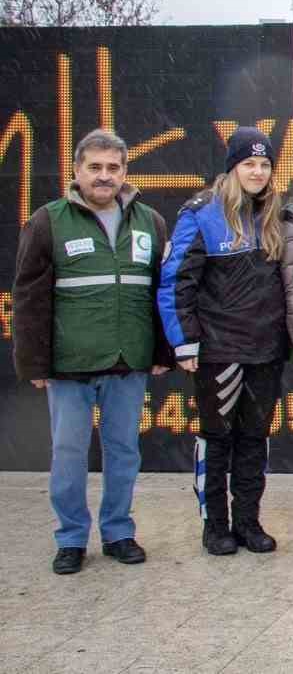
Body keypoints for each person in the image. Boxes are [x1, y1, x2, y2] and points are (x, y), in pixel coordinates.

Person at [13, 130, 172, 574]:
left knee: (124, 452)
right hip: (70, 366)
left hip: (129, 361)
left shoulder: (150, 222)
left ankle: (118, 532)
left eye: (113, 168)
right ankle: (71, 538)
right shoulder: (47, 222)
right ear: (76, 170)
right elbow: (28, 299)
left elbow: (161, 293)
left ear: (125, 172)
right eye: (95, 167)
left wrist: (162, 351)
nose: (104, 176)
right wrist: (34, 362)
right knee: (69, 454)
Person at [159, 126, 293, 556]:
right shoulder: (201, 212)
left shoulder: (278, 215)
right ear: (232, 167)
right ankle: (215, 526)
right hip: (219, 350)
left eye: (264, 164)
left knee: (255, 439)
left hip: (266, 349)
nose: (258, 172)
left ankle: (248, 522)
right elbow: (175, 282)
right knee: (217, 439)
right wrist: (184, 341)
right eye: (249, 164)